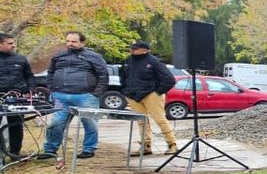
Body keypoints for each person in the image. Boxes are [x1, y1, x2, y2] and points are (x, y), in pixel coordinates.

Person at [42, 31, 108, 159]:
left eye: (73, 41)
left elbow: (103, 75)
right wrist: (52, 89)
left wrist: (96, 94)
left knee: (90, 124)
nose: (70, 44)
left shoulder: (94, 57)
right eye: (68, 41)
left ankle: (89, 149)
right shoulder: (58, 56)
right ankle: (49, 150)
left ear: (82, 42)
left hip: (85, 96)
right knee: (55, 124)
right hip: (60, 95)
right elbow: (50, 72)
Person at [121, 40, 178, 156]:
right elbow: (123, 76)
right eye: (132, 48)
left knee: (160, 119)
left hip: (151, 94)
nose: (132, 50)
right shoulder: (128, 61)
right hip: (133, 95)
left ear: (145, 50)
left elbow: (169, 79)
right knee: (141, 121)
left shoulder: (154, 61)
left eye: (136, 48)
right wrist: (124, 90)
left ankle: (172, 144)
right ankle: (146, 146)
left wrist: (157, 92)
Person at [0, 32, 37, 159]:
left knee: (16, 126)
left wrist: (30, 90)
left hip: (17, 99)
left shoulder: (20, 58)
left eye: (13, 43)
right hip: (1, 98)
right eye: (10, 43)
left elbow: (29, 76)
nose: (13, 45)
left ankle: (14, 153)